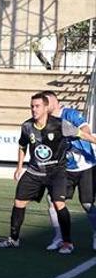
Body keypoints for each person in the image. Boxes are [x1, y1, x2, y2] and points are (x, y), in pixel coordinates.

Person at [0, 92, 85, 253]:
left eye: (37, 106)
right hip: (34, 171)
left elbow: (82, 134)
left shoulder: (59, 124)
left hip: (56, 172)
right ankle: (13, 239)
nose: (33, 109)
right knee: (19, 202)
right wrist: (19, 167)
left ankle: (67, 243)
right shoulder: (27, 126)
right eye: (31, 106)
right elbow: (22, 146)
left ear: (45, 108)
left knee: (59, 204)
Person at [43, 91, 96, 252]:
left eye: (47, 102)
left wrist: (73, 133)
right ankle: (59, 237)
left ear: (54, 102)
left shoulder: (70, 114)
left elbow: (85, 130)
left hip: (85, 166)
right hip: (65, 169)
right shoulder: (45, 122)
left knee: (87, 204)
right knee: (53, 201)